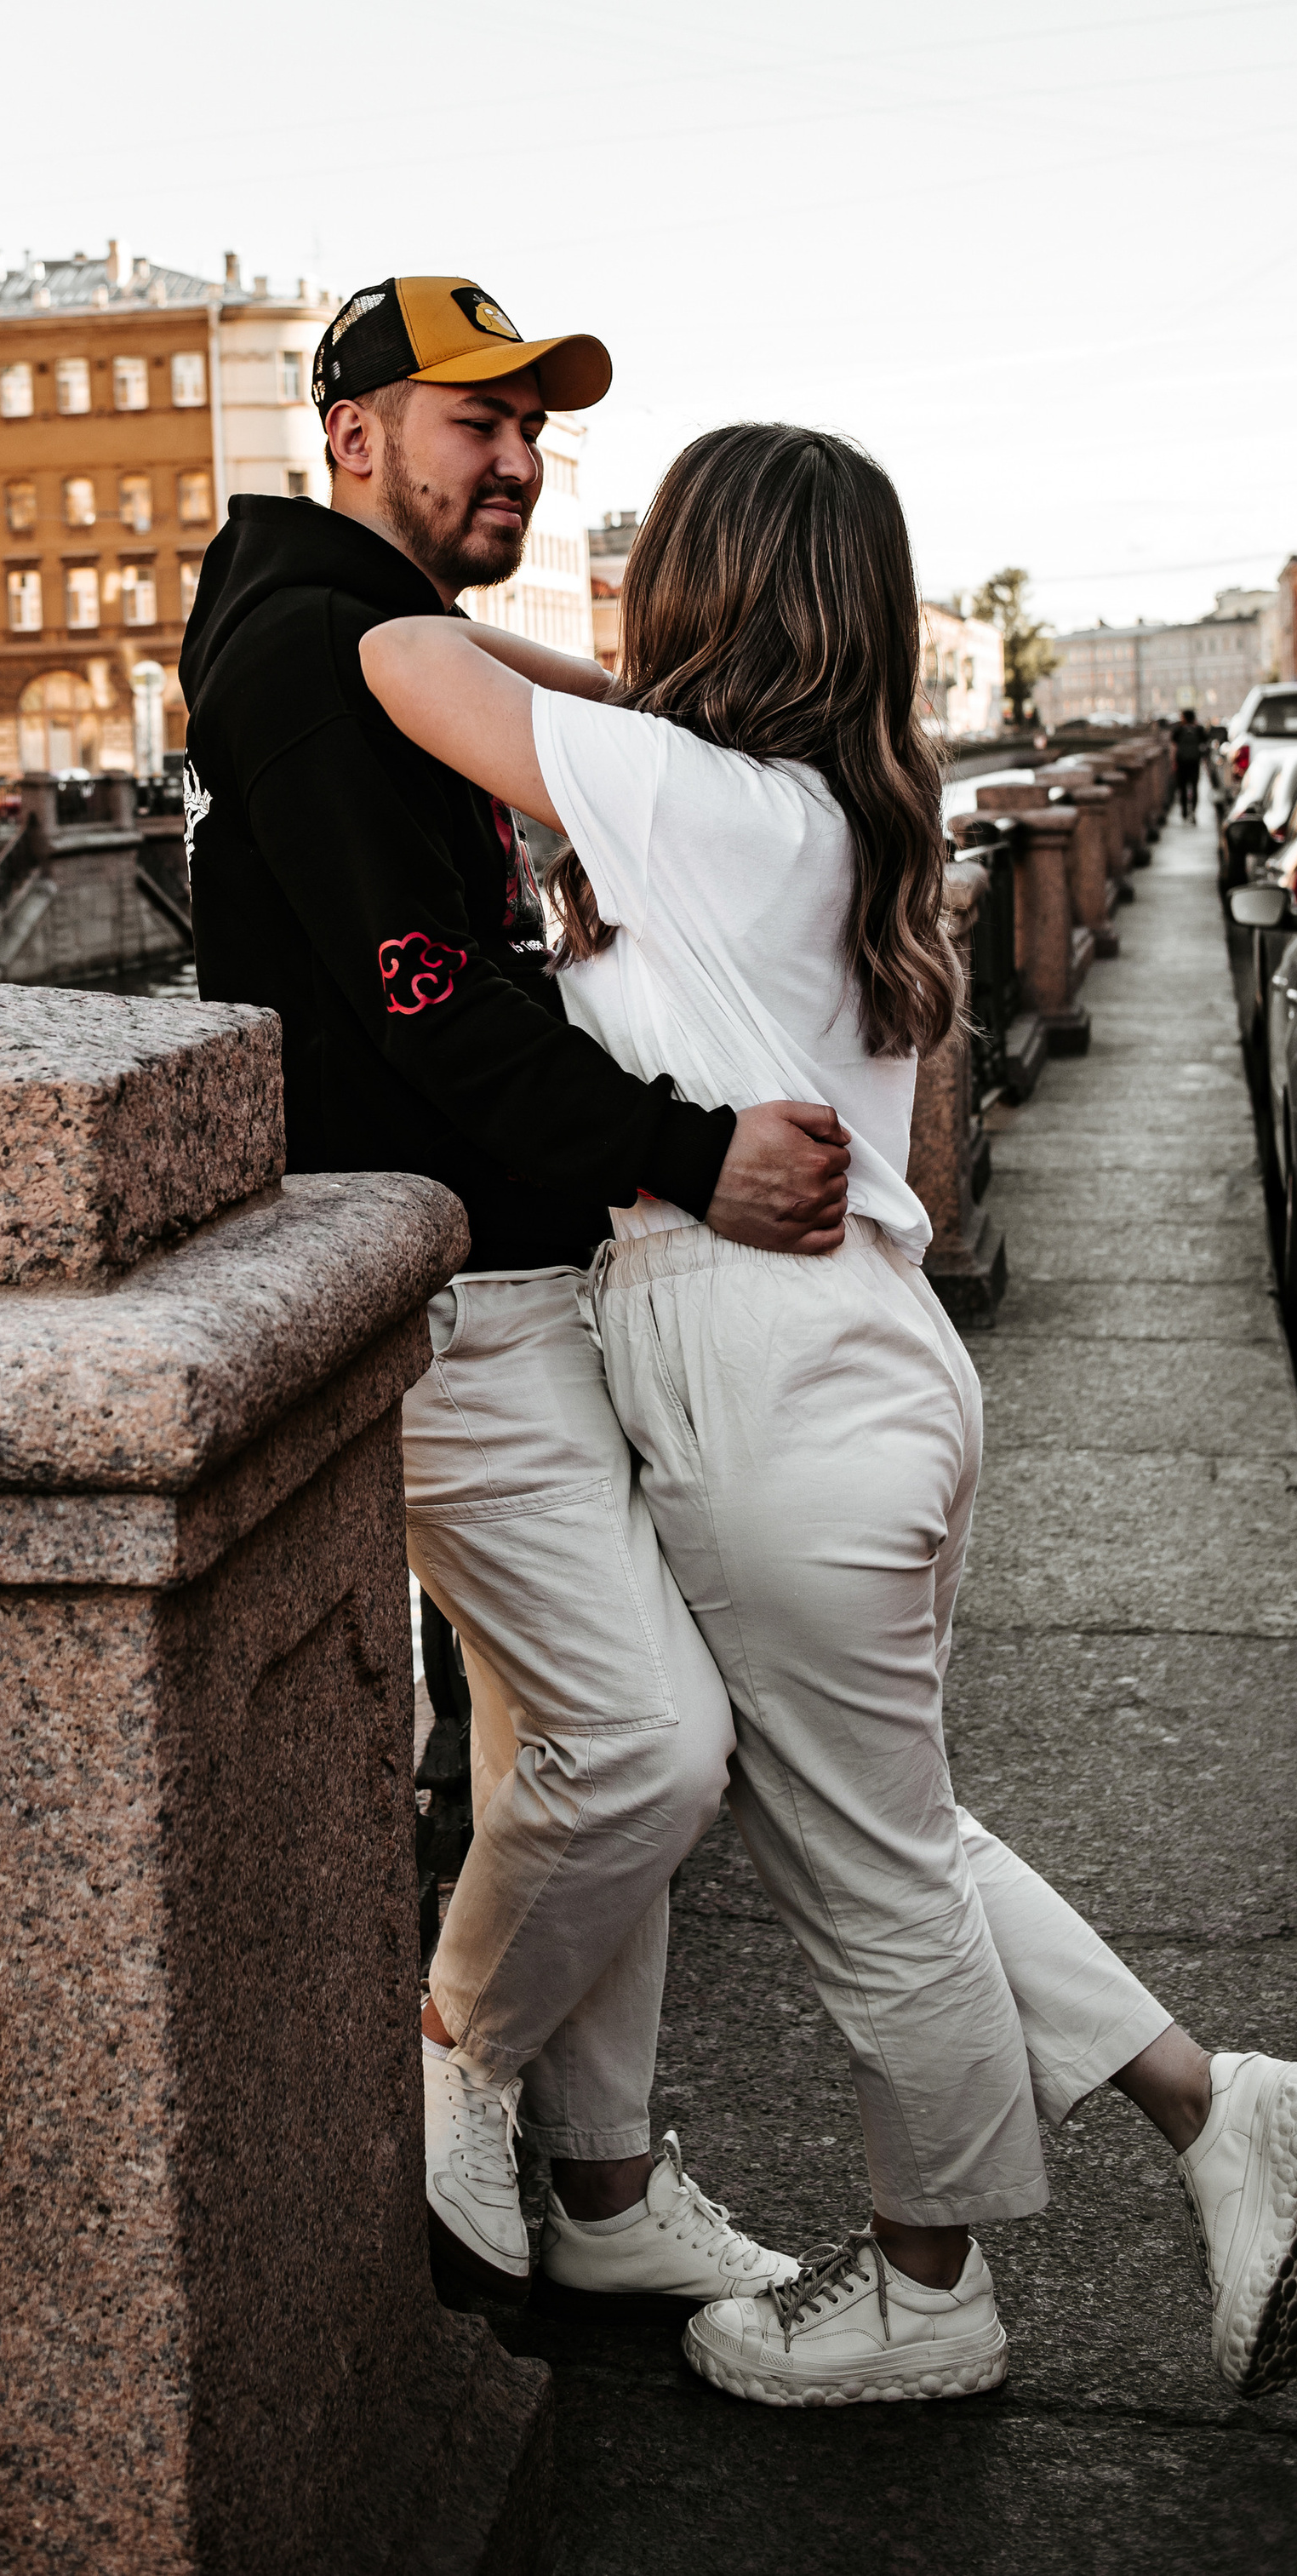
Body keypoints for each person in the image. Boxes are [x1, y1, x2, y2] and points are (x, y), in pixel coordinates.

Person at [358, 421, 1297, 2407]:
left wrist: (592, 685)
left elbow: (399, 661)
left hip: (762, 1379)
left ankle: (930, 2288)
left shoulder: (692, 800)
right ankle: (1202, 2101)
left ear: (701, 591)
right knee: (892, 1821)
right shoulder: (831, 808)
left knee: (867, 1876)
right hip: (860, 1359)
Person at [180, 277, 835, 2317]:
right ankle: (450, 2042)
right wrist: (684, 1142)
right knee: (644, 1745)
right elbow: (422, 1000)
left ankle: (607, 2174)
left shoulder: (380, 632)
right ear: (353, 431)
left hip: (498, 1257)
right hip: (436, 1282)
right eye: (473, 419)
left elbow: (580, 756)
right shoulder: (312, 647)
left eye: (531, 425)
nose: (519, 456)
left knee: (568, 1730)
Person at [1172, 706, 1208, 821]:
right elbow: (1205, 743)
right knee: (1194, 787)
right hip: (1194, 763)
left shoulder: (1178, 730)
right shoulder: (1199, 730)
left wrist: (1173, 762)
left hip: (1181, 762)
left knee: (1182, 787)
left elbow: (1174, 745)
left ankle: (1184, 812)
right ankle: (1193, 811)